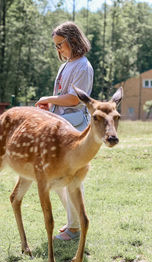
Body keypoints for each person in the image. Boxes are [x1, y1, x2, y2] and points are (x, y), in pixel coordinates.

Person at [35, 21, 94, 241]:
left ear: (74, 41)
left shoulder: (83, 66)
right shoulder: (67, 64)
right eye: (56, 46)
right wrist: (49, 106)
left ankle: (76, 228)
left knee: (71, 177)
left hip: (74, 124)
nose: (58, 49)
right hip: (61, 121)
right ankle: (73, 223)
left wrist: (48, 99)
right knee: (58, 176)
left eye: (61, 44)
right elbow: (62, 95)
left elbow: (74, 98)